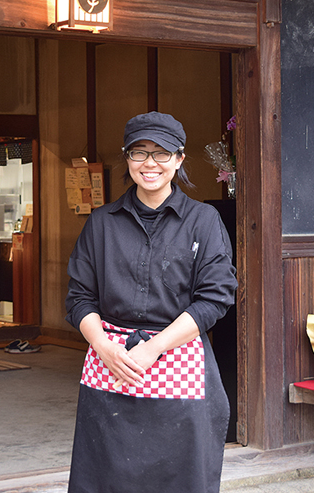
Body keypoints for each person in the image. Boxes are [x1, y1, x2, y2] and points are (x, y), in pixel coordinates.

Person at [65, 111, 237, 493]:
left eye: (162, 153)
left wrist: (154, 348)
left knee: (181, 478)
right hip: (110, 362)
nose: (150, 164)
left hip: (180, 362)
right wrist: (103, 346)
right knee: (104, 478)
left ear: (179, 159)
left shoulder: (203, 221)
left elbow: (215, 298)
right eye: (139, 153)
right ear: (127, 159)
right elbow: (79, 299)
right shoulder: (101, 223)